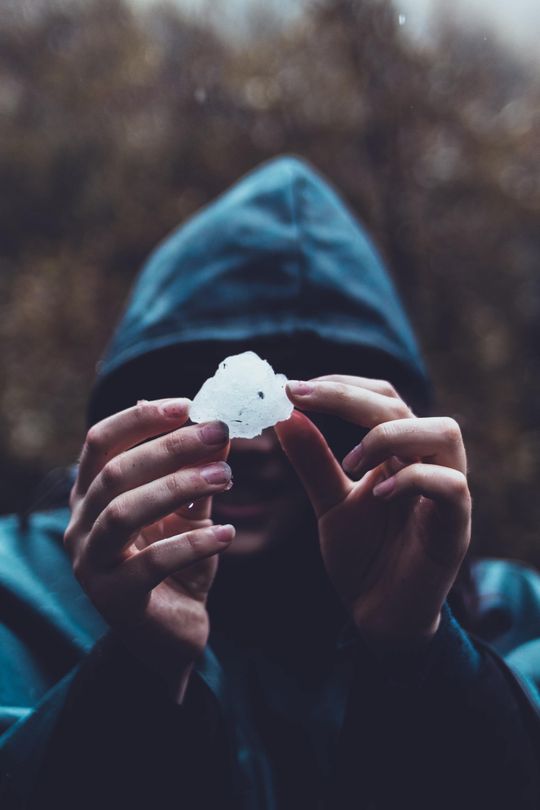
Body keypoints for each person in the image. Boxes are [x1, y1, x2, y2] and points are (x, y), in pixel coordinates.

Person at [0, 156, 539, 809]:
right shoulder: (17, 589)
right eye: (205, 389)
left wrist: (423, 652)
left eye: (299, 398)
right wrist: (135, 678)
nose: (252, 444)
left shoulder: (514, 610)